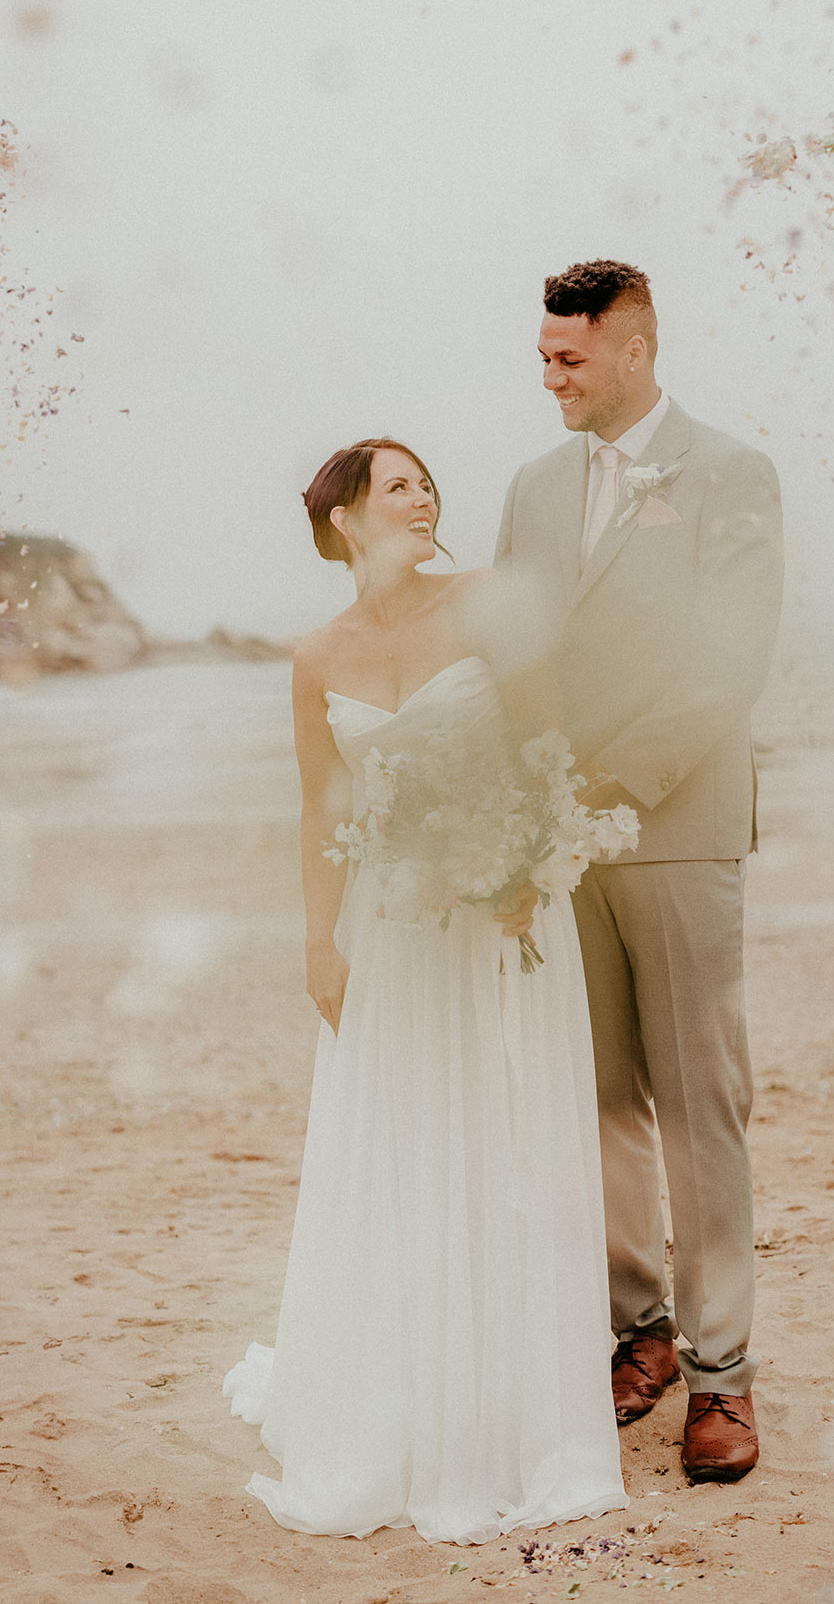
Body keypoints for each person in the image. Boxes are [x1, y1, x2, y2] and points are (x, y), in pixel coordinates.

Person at [223, 438, 626, 1545]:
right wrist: (319, 944)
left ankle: (514, 1411)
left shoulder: (486, 601)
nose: (425, 498)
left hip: (500, 914)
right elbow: (321, 812)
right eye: (398, 485)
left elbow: (549, 741)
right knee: (406, 1146)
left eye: (428, 484)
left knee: (504, 1140)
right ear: (345, 520)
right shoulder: (315, 656)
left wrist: (529, 862)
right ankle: (402, 1399)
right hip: (391, 930)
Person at [495, 260, 783, 1483]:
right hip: (557, 848)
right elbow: (511, 653)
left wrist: (604, 787)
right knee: (598, 1099)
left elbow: (730, 661)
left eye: (569, 355)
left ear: (636, 348)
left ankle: (723, 1380)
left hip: (674, 829)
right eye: (544, 353)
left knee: (700, 1108)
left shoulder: (733, 474)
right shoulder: (529, 488)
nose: (548, 374)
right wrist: (517, 801)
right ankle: (641, 1330)